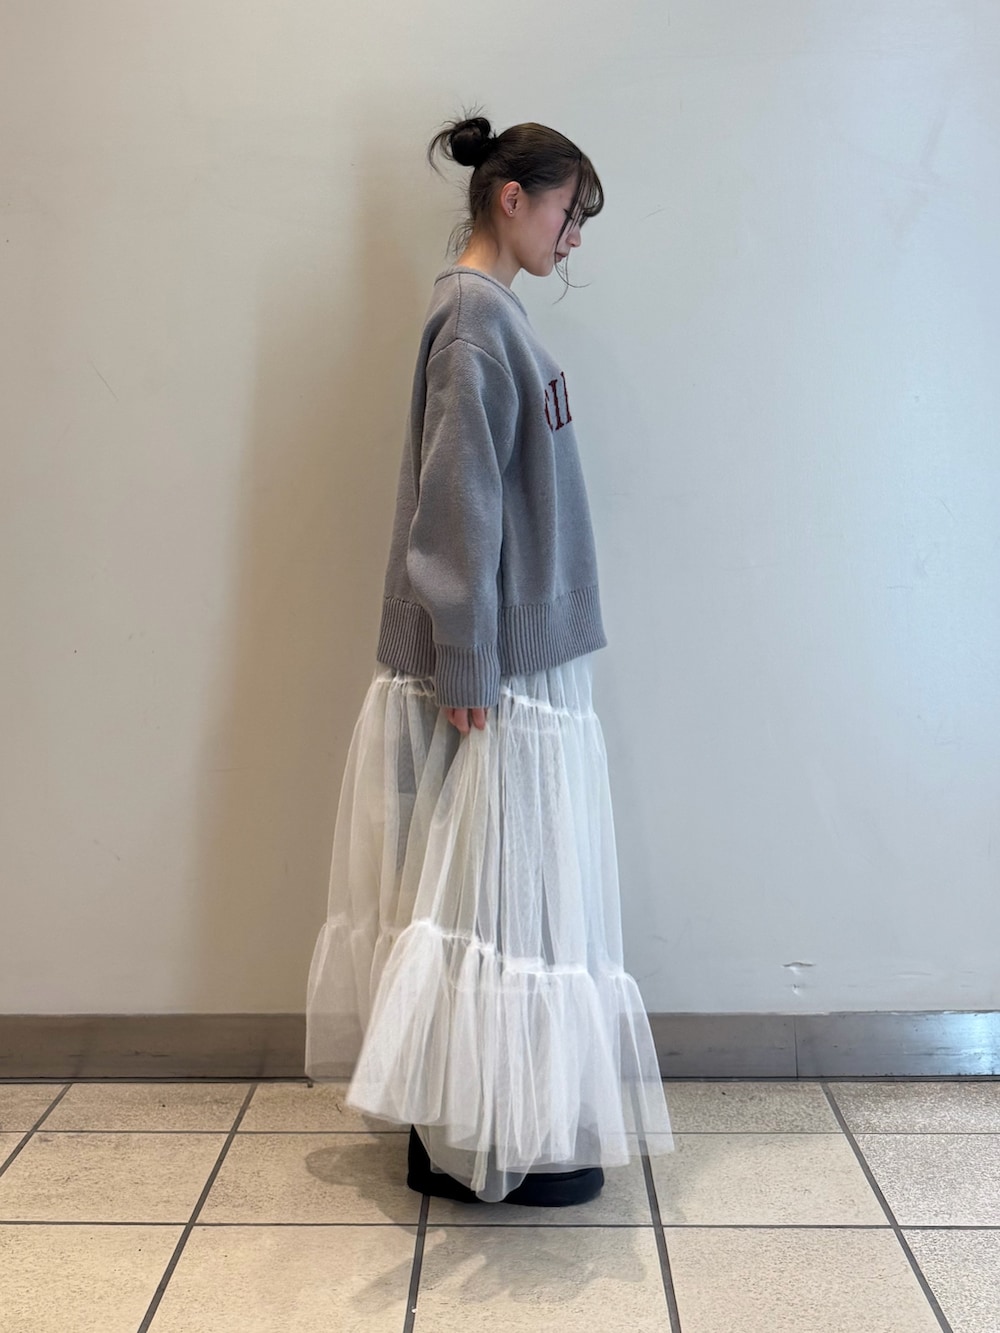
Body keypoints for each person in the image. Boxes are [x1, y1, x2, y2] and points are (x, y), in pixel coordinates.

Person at [304, 111, 675, 1206]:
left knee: (496, 893)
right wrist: (465, 659)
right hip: (500, 660)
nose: (573, 237)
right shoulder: (474, 318)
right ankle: (477, 1140)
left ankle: (489, 1122)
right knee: (489, 896)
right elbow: (456, 503)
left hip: (518, 647)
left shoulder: (487, 314)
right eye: (567, 212)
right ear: (512, 198)